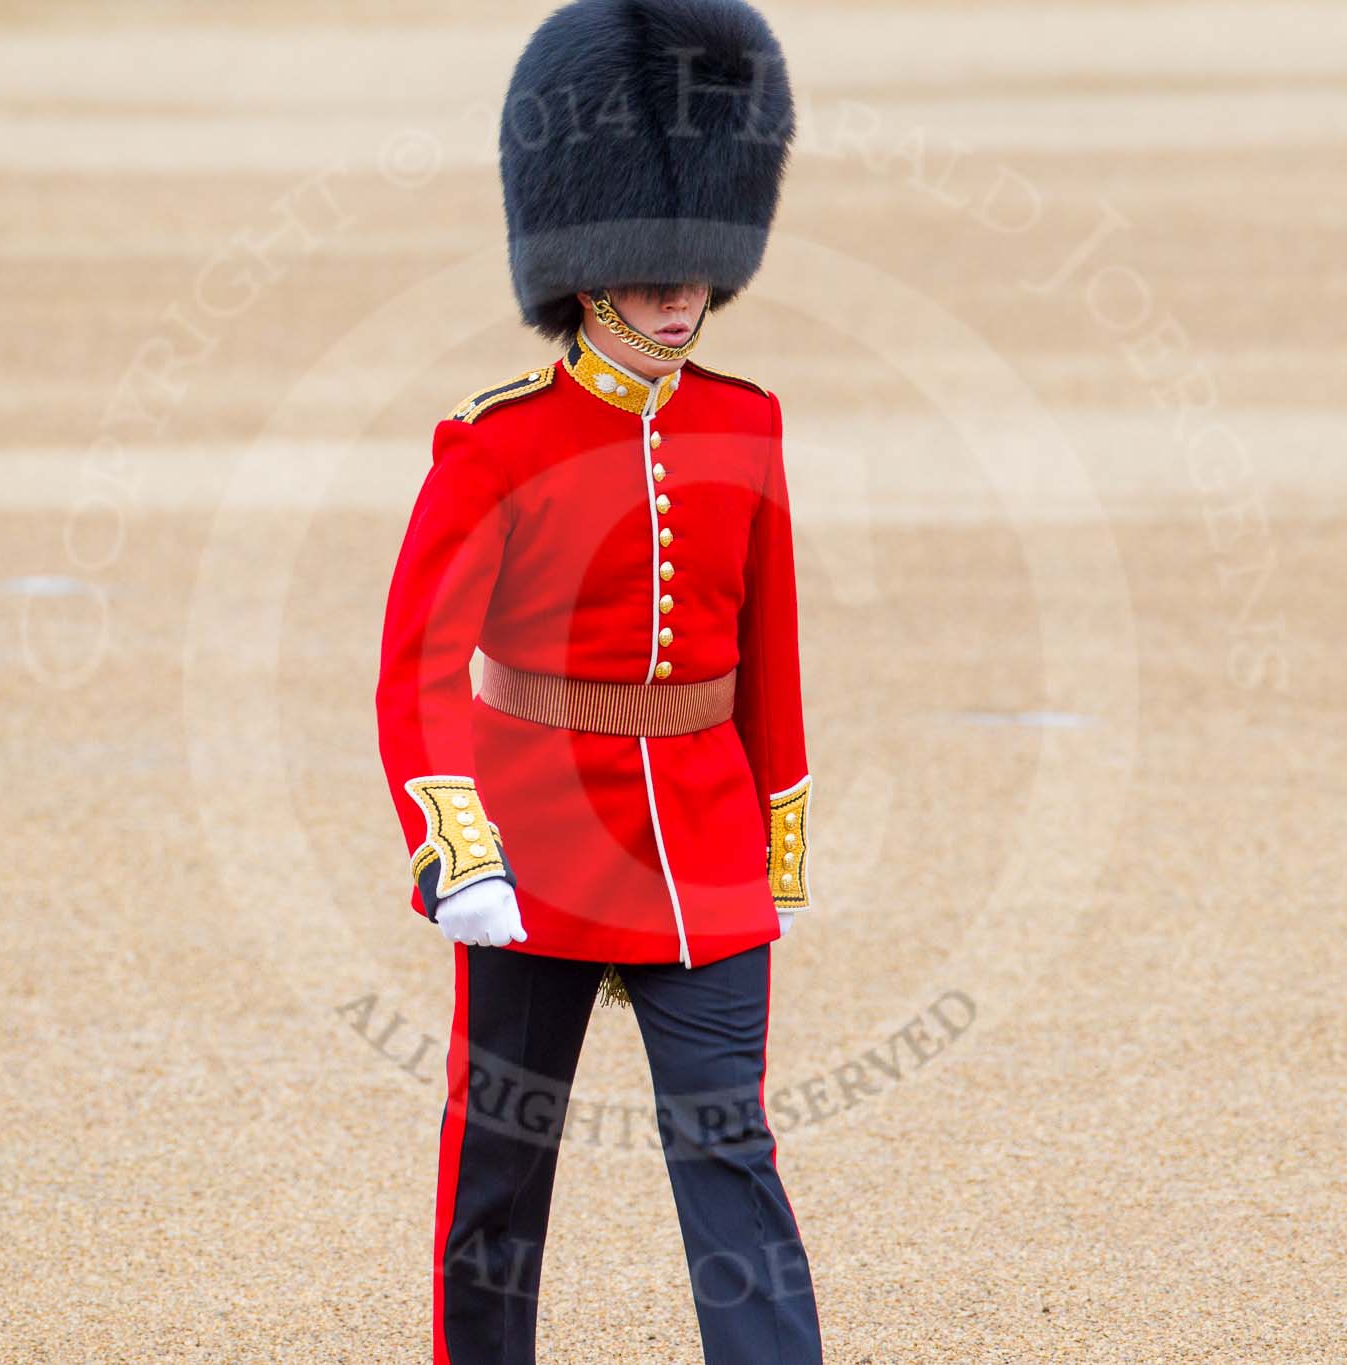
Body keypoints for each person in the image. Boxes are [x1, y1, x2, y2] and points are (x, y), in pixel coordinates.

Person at [372, 1, 821, 1359]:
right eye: (651, 271)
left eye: (697, 270)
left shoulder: (747, 423)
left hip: (700, 840)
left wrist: (774, 827)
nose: (681, 296)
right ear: (585, 270)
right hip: (537, 839)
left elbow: (771, 654)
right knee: (501, 1171)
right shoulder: (494, 445)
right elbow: (417, 666)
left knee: (731, 1154)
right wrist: (457, 838)